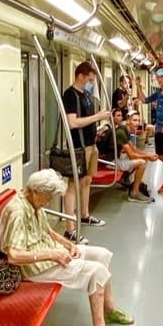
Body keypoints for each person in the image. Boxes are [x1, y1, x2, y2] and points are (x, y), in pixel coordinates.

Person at [0, 169, 133, 326]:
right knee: (96, 272)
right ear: (35, 191)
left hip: (48, 252)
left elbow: (48, 232)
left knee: (102, 255)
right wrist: (52, 255)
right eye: (47, 197)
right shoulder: (17, 212)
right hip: (33, 267)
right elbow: (13, 255)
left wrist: (69, 244)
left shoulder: (34, 203)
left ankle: (109, 309)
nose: (48, 201)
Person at [62, 61, 111, 239]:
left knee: (87, 180)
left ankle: (84, 215)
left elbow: (86, 121)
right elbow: (72, 122)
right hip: (78, 146)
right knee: (73, 185)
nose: (91, 83)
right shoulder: (70, 95)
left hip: (91, 144)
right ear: (81, 76)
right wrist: (97, 116)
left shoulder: (86, 95)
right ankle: (70, 229)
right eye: (89, 79)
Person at [114, 109, 158, 203]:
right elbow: (131, 155)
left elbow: (134, 149)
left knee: (142, 159)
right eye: (134, 120)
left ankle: (131, 182)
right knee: (141, 163)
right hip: (112, 161)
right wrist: (147, 157)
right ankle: (134, 193)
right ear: (128, 121)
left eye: (138, 120)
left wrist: (148, 154)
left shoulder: (126, 130)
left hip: (118, 157)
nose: (137, 123)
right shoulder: (121, 132)